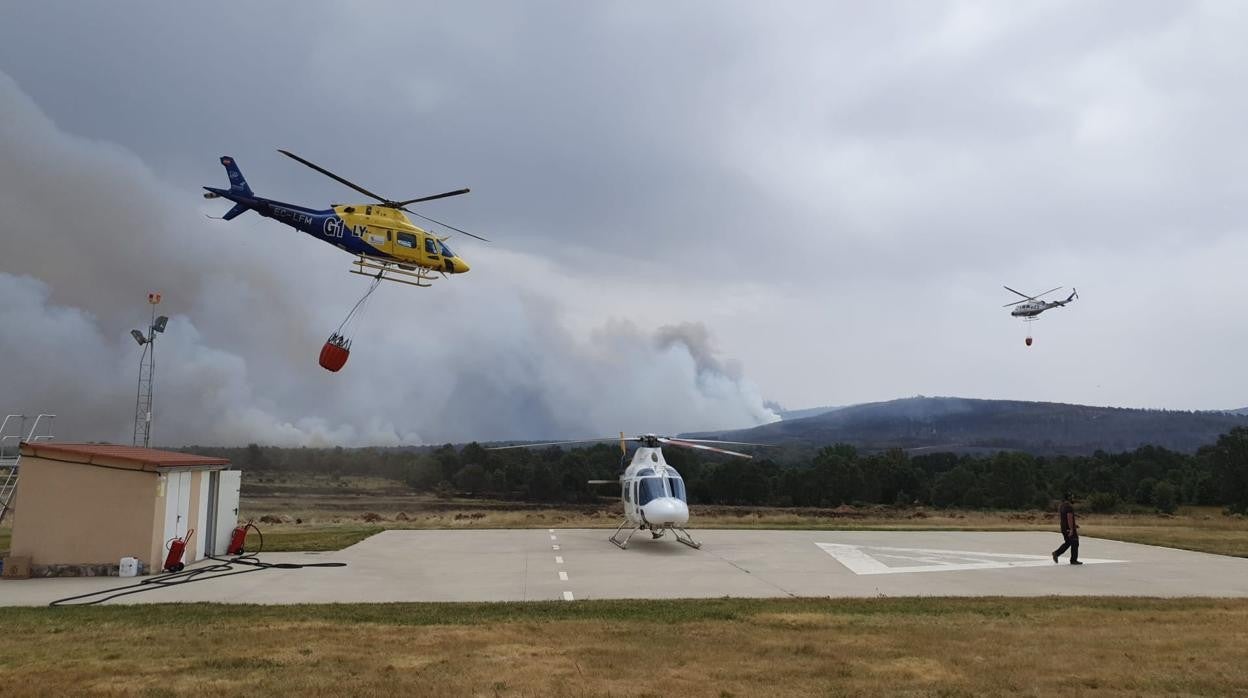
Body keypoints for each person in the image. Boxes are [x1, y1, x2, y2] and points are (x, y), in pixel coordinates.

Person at [1052, 491, 1082, 565]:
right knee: (1075, 542)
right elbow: (1069, 518)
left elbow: (1064, 518)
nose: (1073, 498)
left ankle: (1056, 553)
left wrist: (1074, 525)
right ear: (1068, 498)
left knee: (1068, 542)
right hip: (1069, 529)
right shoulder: (1069, 507)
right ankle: (1073, 560)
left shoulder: (1062, 505)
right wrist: (1072, 529)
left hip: (1064, 527)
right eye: (1072, 497)